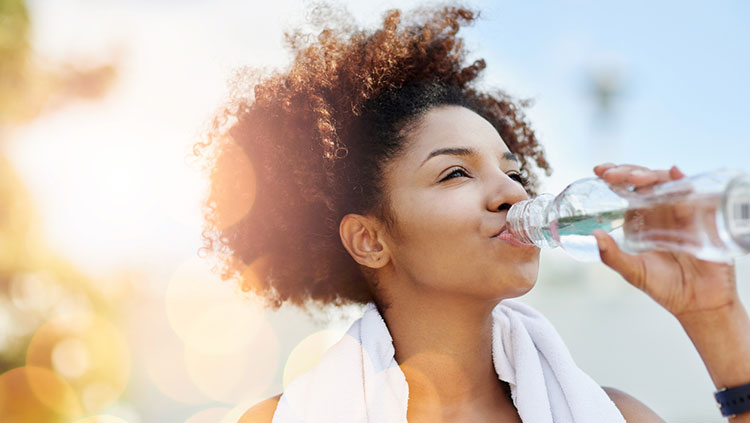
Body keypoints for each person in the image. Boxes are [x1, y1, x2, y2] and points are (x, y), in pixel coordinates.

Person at [194, 4, 750, 422]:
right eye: (455, 173)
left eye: (514, 172)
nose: (511, 194)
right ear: (369, 239)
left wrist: (714, 315)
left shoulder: (615, 416)